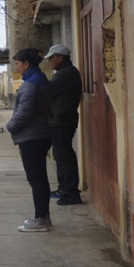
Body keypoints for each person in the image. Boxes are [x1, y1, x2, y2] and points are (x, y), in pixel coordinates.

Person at [6, 48, 53, 232]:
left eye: (18, 64)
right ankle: (44, 216)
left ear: (26, 64)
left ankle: (40, 218)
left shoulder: (30, 85)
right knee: (40, 177)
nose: (17, 67)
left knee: (36, 179)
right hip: (42, 134)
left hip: (31, 137)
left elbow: (23, 114)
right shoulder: (41, 80)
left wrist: (9, 127)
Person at [45, 44, 83, 206]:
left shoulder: (65, 74)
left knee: (64, 157)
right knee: (61, 156)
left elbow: (46, 91)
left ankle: (70, 193)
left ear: (60, 58)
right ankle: (64, 189)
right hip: (61, 119)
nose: (49, 61)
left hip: (62, 120)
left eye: (51, 58)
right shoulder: (65, 73)